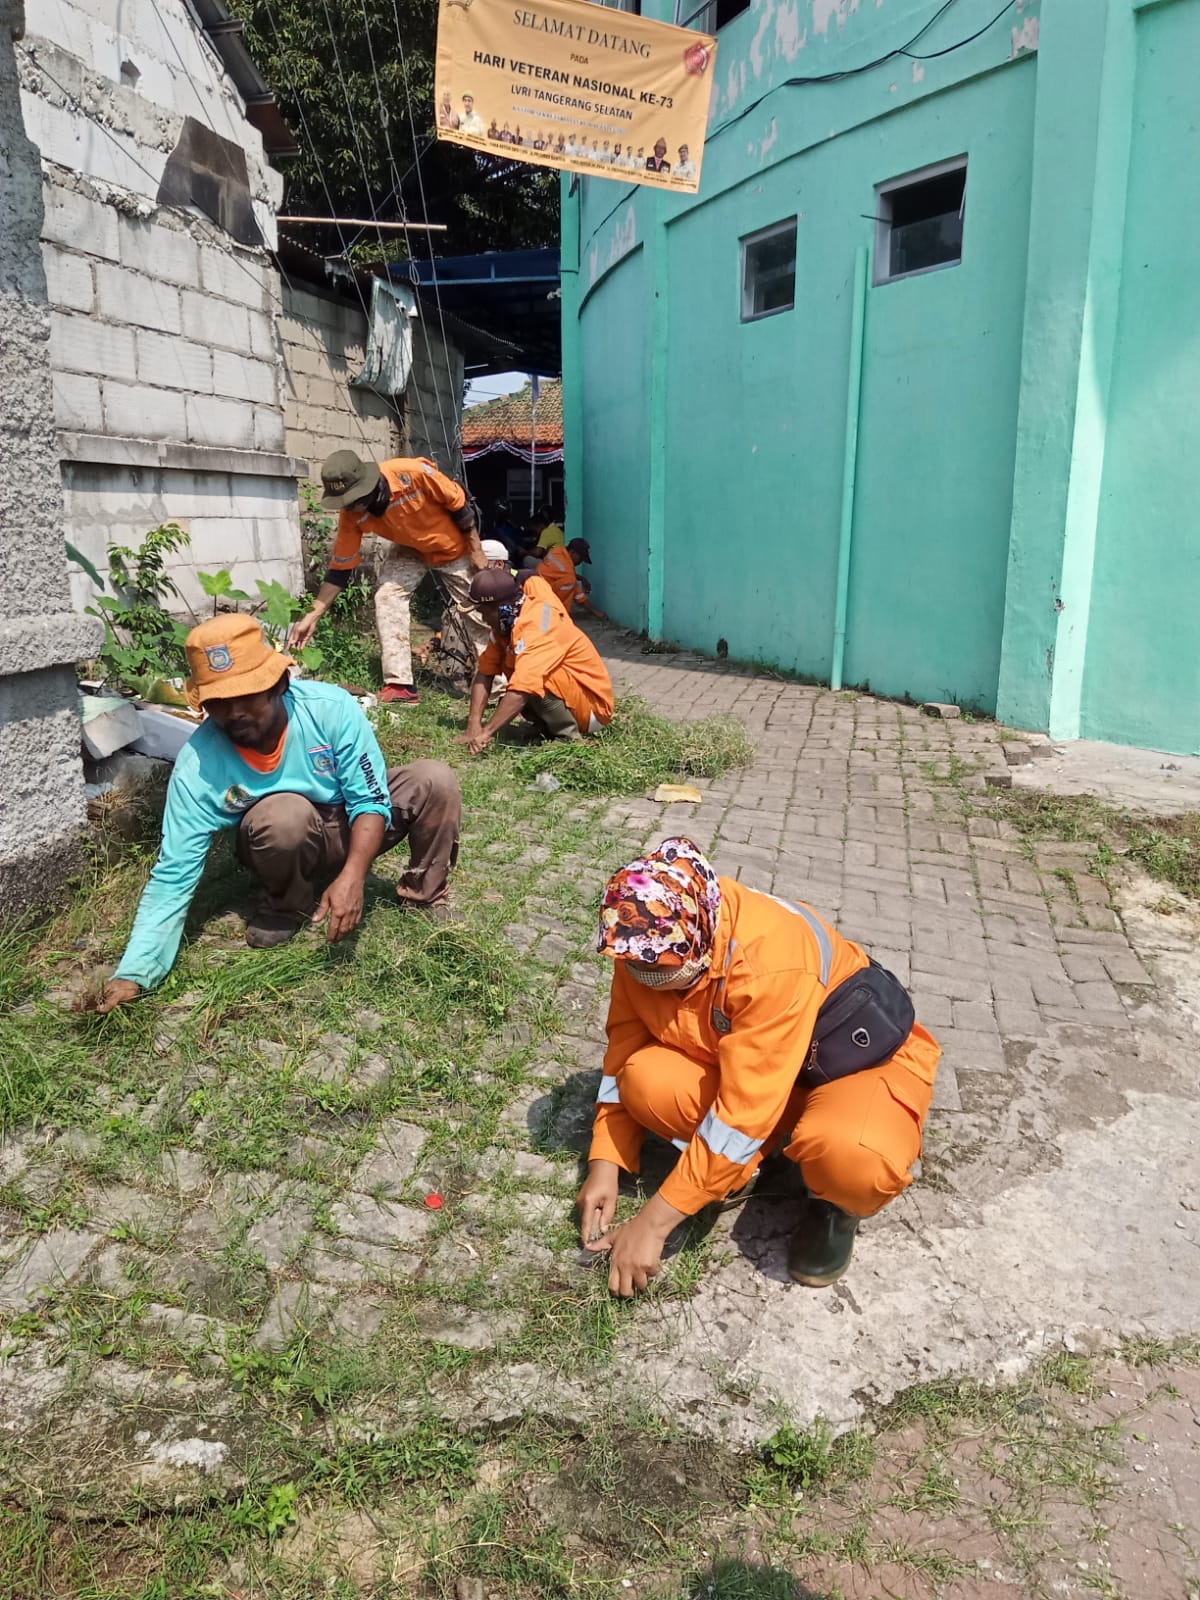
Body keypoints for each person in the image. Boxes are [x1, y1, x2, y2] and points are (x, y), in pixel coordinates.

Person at [577, 838, 941, 1297]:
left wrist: (653, 1224)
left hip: (851, 1064)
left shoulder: (769, 962)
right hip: (766, 1072)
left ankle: (835, 1208)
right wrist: (605, 1161)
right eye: (637, 971)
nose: (646, 982)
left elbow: (740, 1117)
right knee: (644, 1078)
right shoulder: (647, 941)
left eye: (663, 975)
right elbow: (623, 1049)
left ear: (704, 935)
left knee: (856, 1155)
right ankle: (757, 1161)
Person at [96, 616, 462, 1014]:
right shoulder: (198, 767)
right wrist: (134, 973)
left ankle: (425, 895)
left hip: (350, 822)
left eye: (247, 694)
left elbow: (369, 801)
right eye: (219, 701)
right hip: (282, 837)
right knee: (282, 814)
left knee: (434, 779)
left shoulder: (330, 710)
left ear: (279, 685)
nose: (234, 712)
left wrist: (354, 877)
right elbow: (173, 874)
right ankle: (287, 904)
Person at [291, 451, 488, 708]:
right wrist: (313, 615)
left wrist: (476, 550)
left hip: (453, 546)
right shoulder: (351, 514)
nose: (350, 506)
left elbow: (459, 504)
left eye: (354, 499)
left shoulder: (411, 474)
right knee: (387, 595)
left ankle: (498, 685)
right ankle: (400, 685)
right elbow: (340, 568)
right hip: (410, 548)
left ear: (368, 485)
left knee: (476, 609)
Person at [459, 568, 614, 752]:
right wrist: (473, 724)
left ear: (501, 608)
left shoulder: (537, 625)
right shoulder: (506, 625)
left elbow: (523, 687)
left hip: (593, 710)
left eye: (484, 612)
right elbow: (485, 671)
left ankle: (567, 737)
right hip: (572, 698)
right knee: (523, 672)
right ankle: (546, 729)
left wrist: (486, 733)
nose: (483, 618)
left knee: (532, 678)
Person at [537, 538, 607, 621]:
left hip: (536, 585)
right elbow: (579, 596)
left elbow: (558, 572)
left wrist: (581, 578)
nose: (581, 562)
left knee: (570, 580)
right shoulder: (567, 571)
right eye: (581, 558)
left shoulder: (557, 551)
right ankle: (561, 614)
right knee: (570, 582)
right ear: (573, 552)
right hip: (542, 599)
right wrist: (596, 612)